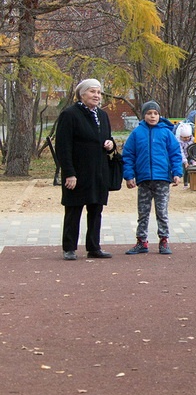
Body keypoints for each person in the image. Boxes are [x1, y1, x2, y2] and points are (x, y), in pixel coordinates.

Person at [55, 79, 117, 260]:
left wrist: (111, 144)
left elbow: (108, 139)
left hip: (98, 172)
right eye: (92, 92)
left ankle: (94, 247)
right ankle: (69, 248)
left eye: (99, 92)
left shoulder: (103, 116)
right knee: (74, 210)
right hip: (78, 173)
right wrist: (69, 173)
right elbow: (63, 147)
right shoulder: (70, 114)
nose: (97, 96)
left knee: (96, 210)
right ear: (82, 94)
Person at [122, 101, 184, 255]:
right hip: (144, 180)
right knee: (143, 212)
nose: (152, 116)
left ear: (159, 115)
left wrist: (177, 173)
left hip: (162, 178)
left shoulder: (166, 133)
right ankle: (141, 241)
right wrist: (129, 175)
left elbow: (175, 154)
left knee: (161, 211)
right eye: (149, 113)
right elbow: (128, 155)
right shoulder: (137, 133)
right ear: (144, 115)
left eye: (155, 113)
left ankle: (164, 240)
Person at [175, 122, 196, 188]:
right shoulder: (179, 142)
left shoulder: (192, 140)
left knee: (193, 168)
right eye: (184, 138)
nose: (187, 139)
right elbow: (181, 152)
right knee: (186, 170)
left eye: (188, 137)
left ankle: (194, 161)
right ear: (181, 136)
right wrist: (185, 162)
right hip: (183, 156)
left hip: (191, 155)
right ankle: (185, 184)